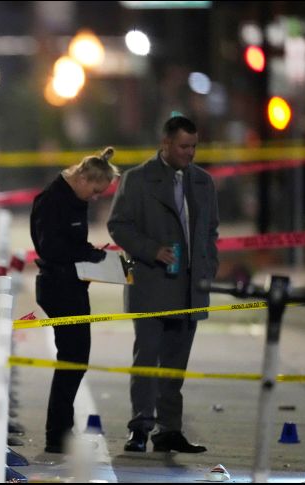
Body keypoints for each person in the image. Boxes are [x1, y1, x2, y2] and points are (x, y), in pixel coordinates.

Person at [107, 115, 219, 453]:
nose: (190, 153)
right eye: (184, 146)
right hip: (152, 286)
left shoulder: (202, 182)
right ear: (166, 143)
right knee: (147, 361)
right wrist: (151, 250)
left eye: (194, 146)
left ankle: (169, 431)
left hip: (190, 288)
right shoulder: (137, 180)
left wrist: (208, 266)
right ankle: (140, 427)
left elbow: (210, 231)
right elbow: (118, 225)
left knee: (175, 365)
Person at [30, 146, 120, 453]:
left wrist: (90, 254)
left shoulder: (74, 199)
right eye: (95, 190)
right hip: (58, 287)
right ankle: (57, 435)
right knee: (72, 360)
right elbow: (51, 248)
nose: (95, 197)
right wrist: (89, 253)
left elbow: (71, 244)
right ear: (82, 178)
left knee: (75, 361)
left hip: (72, 285)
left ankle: (60, 432)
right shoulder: (52, 201)